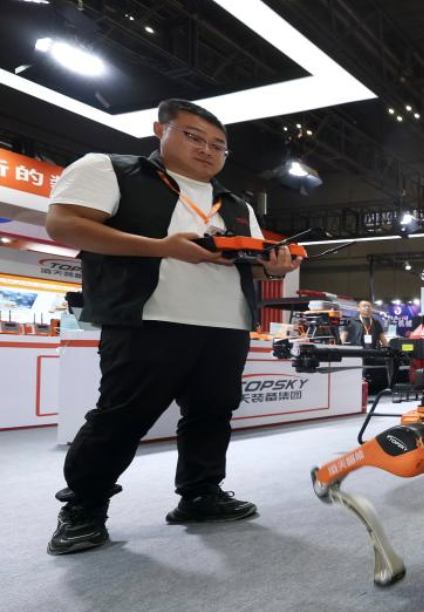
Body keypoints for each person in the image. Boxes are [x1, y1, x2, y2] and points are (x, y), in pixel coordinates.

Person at [44, 98, 302, 555]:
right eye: (193, 136)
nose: (207, 150)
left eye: (218, 145)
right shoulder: (111, 169)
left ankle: (200, 494)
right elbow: (64, 225)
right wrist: (162, 247)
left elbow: (248, 266)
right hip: (148, 318)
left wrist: (274, 267)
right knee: (122, 416)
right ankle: (83, 507)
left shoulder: (237, 202)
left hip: (227, 323)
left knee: (212, 413)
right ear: (159, 130)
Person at [342, 299, 389, 393]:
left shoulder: (376, 322)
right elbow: (344, 334)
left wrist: (388, 348)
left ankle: (377, 389)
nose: (367, 308)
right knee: (361, 370)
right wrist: (342, 345)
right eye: (364, 306)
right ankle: (358, 391)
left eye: (369, 306)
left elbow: (382, 337)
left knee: (382, 367)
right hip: (357, 351)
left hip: (372, 351)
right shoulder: (351, 321)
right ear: (358, 308)